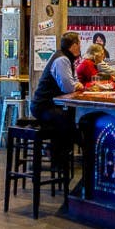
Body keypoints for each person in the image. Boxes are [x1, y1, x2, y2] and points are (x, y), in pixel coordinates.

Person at [29, 31, 83, 164]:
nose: (80, 47)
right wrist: (76, 85)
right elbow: (68, 87)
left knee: (70, 118)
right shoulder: (62, 59)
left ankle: (58, 154)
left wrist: (76, 84)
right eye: (79, 44)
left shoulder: (67, 59)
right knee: (69, 121)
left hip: (50, 105)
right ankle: (58, 157)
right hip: (43, 107)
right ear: (74, 45)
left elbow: (74, 80)